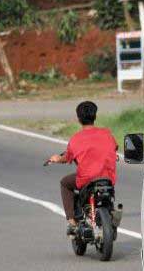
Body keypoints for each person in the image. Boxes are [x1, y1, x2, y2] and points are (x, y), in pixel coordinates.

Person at [48, 101, 117, 235]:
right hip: (107, 178)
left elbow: (67, 158)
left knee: (64, 183)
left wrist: (57, 158)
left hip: (86, 179)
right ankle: (110, 213)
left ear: (78, 119)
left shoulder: (75, 139)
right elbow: (113, 148)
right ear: (95, 116)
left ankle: (72, 222)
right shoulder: (107, 134)